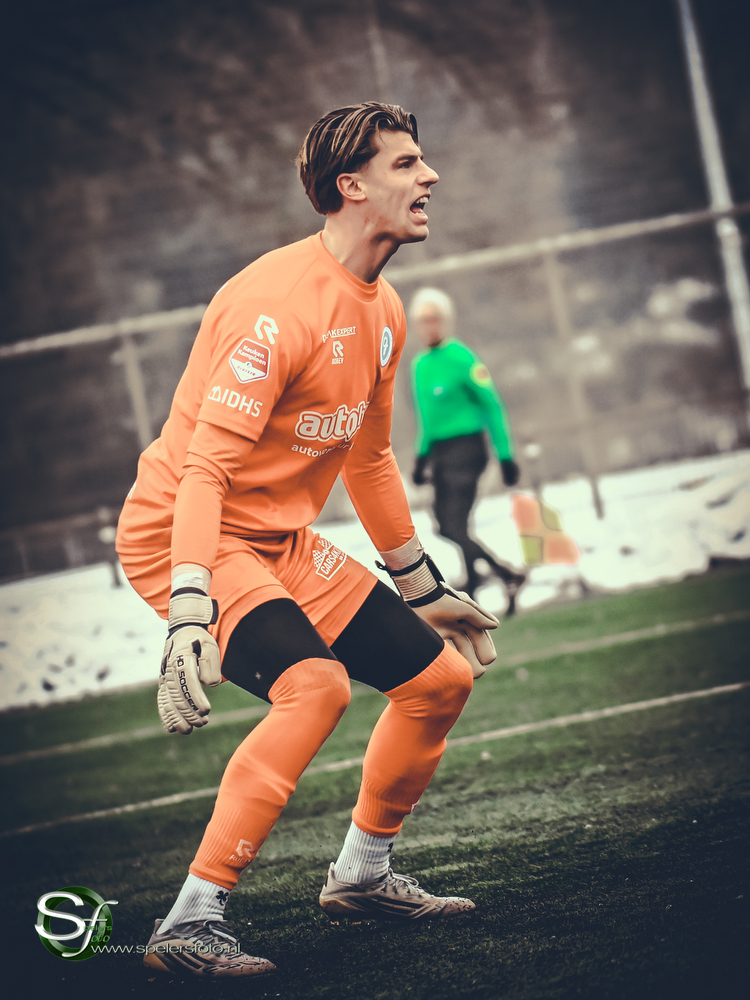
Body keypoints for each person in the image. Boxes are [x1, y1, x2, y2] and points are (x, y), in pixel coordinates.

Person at [116, 103, 500, 979]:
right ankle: (189, 921)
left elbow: (369, 459)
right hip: (185, 529)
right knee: (315, 688)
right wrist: (189, 608)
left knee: (439, 683)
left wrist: (420, 585)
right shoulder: (275, 309)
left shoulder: (385, 308)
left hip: (276, 539)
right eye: (406, 164)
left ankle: (361, 878)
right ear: (349, 186)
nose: (430, 176)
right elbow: (204, 473)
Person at [409, 288, 527, 614]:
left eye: (435, 319)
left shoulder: (463, 358)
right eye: (423, 320)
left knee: (454, 525)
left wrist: (506, 455)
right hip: (441, 454)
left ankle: (491, 580)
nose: (429, 326)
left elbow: (492, 405)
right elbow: (426, 418)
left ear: (446, 321)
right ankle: (499, 578)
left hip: (468, 449)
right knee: (447, 526)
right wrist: (421, 458)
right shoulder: (419, 366)